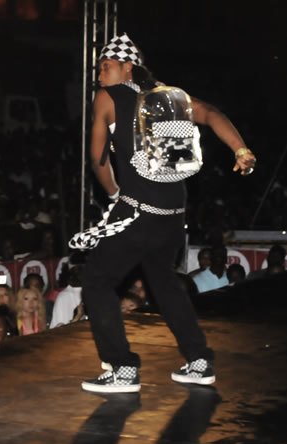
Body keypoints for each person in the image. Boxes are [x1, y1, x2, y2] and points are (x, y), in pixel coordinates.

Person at [78, 33, 255, 393]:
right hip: (173, 217)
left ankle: (122, 369)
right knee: (164, 284)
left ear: (127, 66)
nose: (99, 73)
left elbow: (98, 160)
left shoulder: (107, 97)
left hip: (139, 213)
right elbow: (213, 114)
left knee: (97, 282)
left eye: (105, 66)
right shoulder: (170, 96)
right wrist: (241, 150)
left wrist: (114, 194)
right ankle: (199, 360)